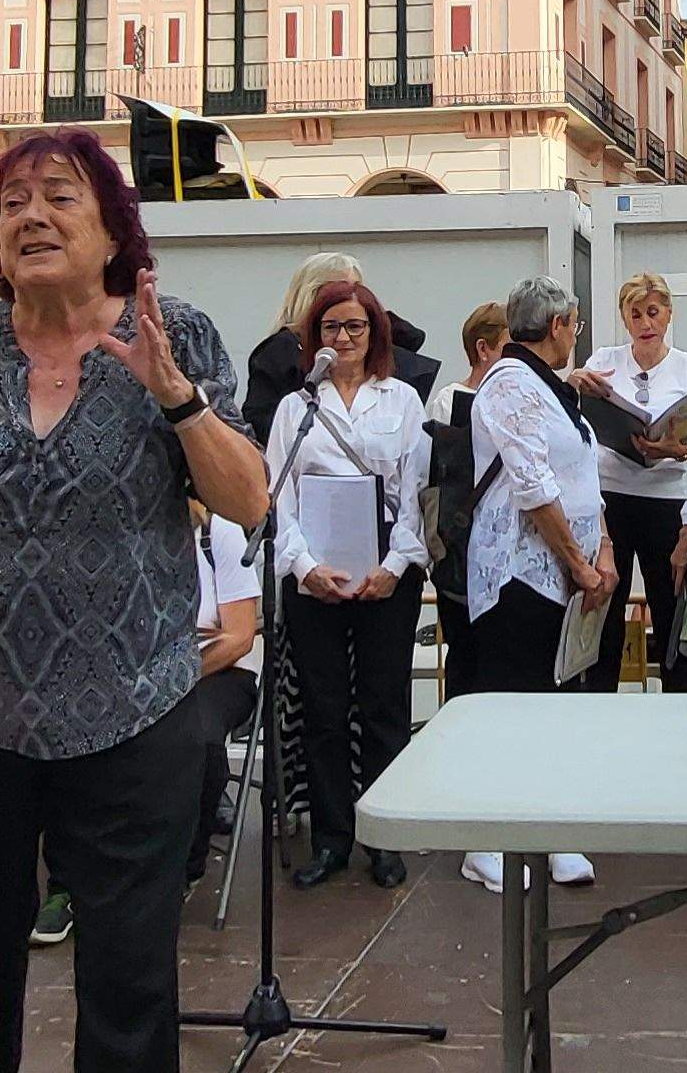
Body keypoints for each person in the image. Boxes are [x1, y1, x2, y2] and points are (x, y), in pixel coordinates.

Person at [0, 129, 269, 1073]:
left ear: (116, 231)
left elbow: (248, 500)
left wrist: (178, 398)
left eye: (59, 197)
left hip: (133, 711)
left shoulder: (171, 332)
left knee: (128, 981)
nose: (29, 215)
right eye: (12, 203)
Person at [266, 279, 430, 891]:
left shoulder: (402, 401)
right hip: (315, 573)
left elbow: (415, 497)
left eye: (355, 327)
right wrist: (304, 566)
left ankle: (383, 838)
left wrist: (395, 565)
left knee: (384, 706)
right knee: (324, 710)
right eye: (331, 328)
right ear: (314, 338)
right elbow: (277, 498)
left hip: (387, 568)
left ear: (375, 333)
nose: (344, 338)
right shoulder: (295, 407)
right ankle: (332, 837)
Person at [456, 274, 616, 895]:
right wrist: (580, 564)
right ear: (558, 328)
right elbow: (533, 485)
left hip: (564, 574)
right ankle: (486, 839)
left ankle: (552, 828)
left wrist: (600, 550)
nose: (576, 337)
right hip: (519, 576)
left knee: (557, 705)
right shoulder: (509, 384)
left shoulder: (552, 387)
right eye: (575, 326)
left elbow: (580, 477)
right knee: (508, 705)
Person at [578, 274, 687, 691]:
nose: (645, 323)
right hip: (613, 493)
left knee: (668, 604)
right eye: (635, 314)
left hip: (665, 497)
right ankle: (600, 697)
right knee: (608, 604)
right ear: (624, 317)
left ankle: (679, 699)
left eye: (653, 312)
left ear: (669, 314)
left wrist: (675, 449)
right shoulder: (605, 359)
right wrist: (579, 385)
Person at [424, 301, 508, 686]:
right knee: (464, 653)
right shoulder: (448, 400)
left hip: (501, 546)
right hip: (460, 544)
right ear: (483, 349)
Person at [180, 510, 264, 886]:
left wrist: (172, 676)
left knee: (199, 736)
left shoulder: (221, 532)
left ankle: (186, 867)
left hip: (221, 670)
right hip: (149, 671)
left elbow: (239, 637)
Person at [240, 254, 363, 450]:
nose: (351, 298)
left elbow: (410, 338)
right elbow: (262, 424)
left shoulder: (354, 344)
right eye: (341, 290)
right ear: (312, 293)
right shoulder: (281, 349)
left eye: (357, 290)